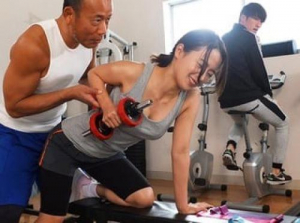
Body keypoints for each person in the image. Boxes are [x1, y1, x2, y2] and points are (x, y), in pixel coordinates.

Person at [35, 29, 228, 222]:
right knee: (51, 220)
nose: (201, 76)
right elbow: (95, 74)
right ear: (179, 51)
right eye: (201, 64)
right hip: (68, 144)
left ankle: (88, 187)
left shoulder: (190, 98)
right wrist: (107, 105)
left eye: (209, 73)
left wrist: (183, 205)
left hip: (106, 154)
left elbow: (180, 152)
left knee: (143, 198)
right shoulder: (135, 72)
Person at [0, 0, 113, 222]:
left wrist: (110, 97)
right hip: (16, 135)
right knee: (6, 213)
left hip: (55, 136)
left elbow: (88, 78)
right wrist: (68, 93)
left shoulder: (88, 41)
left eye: (107, 20)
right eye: (97, 20)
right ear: (69, 15)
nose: (103, 30)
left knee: (67, 207)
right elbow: (14, 107)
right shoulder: (34, 44)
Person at [218, 3, 292, 185]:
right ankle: (276, 171)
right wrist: (270, 97)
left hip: (226, 100)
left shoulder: (223, 38)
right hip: (247, 96)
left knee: (241, 120)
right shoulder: (250, 38)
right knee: (283, 122)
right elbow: (259, 70)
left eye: (261, 21)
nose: (258, 24)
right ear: (243, 17)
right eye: (256, 19)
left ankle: (230, 148)